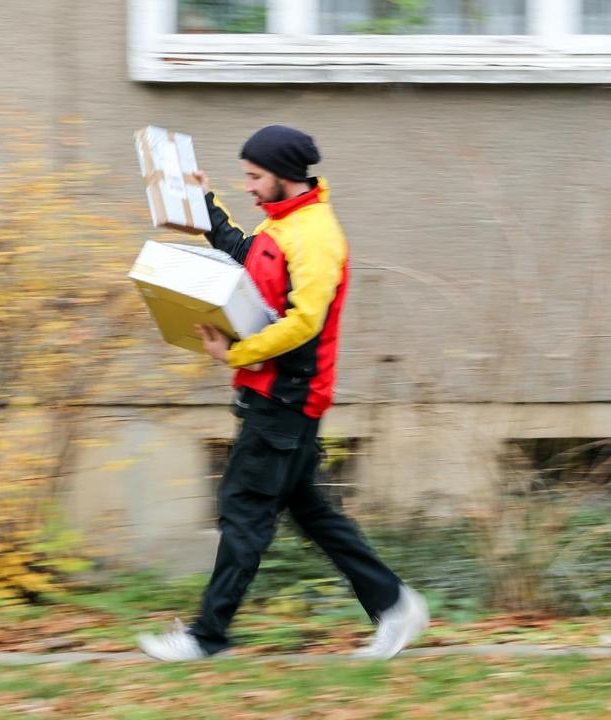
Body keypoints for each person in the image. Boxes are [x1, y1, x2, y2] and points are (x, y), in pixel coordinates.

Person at [136, 125, 428, 661]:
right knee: (311, 512)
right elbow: (247, 261)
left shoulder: (317, 236)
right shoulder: (286, 225)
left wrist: (237, 353)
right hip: (273, 395)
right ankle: (394, 605)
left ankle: (206, 637)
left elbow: (304, 324)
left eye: (254, 177)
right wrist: (203, 204)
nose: (247, 186)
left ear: (284, 176)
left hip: (287, 398)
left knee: (244, 512)